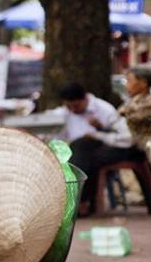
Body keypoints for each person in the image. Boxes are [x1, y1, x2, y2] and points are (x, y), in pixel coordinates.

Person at [60, 82, 145, 215]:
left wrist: (99, 131)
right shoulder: (65, 113)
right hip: (80, 150)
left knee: (84, 151)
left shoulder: (104, 109)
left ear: (85, 99)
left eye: (75, 106)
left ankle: (80, 201)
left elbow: (124, 137)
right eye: (68, 107)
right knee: (79, 152)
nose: (72, 110)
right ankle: (80, 200)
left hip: (111, 147)